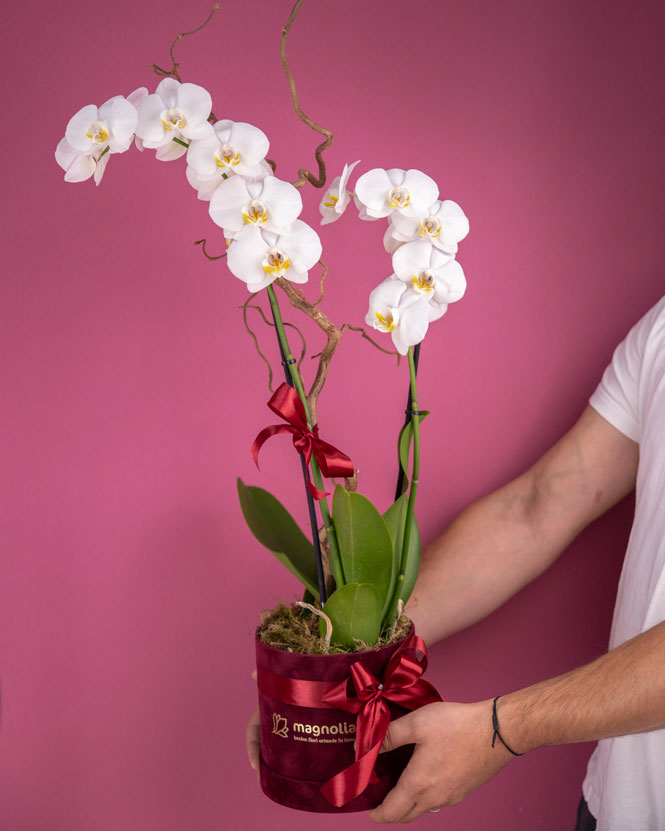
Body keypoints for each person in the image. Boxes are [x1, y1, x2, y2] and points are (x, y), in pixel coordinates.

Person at [247, 296, 665, 830]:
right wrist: (339, 662)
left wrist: (500, 728)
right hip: (618, 803)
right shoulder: (661, 327)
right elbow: (536, 508)